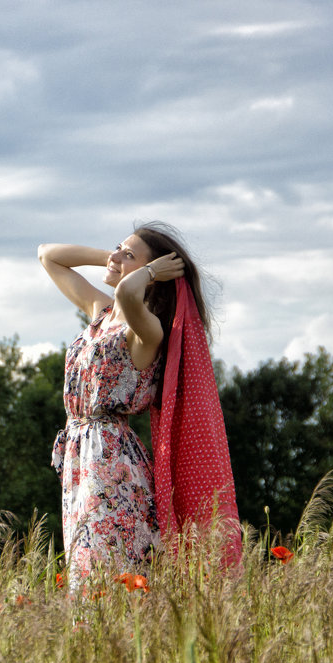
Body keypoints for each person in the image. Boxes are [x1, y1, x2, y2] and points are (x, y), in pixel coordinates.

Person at [39, 222, 241, 589]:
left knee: (106, 568)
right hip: (80, 458)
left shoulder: (146, 330)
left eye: (128, 254)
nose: (116, 255)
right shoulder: (100, 313)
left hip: (112, 461)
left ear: (154, 276)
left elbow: (131, 297)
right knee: (87, 569)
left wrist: (145, 272)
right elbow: (48, 255)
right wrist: (116, 260)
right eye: (117, 247)